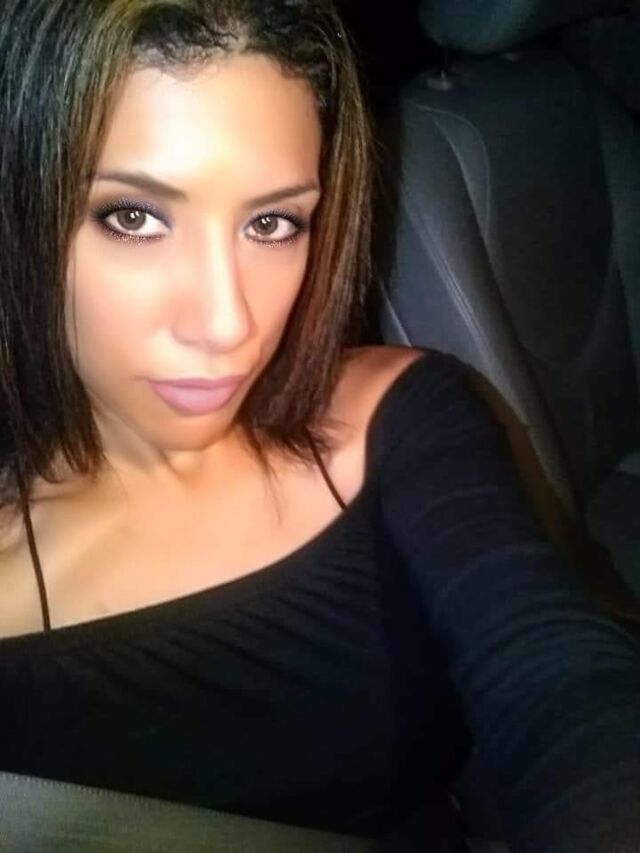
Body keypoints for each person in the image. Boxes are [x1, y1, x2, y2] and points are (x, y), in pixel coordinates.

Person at [0, 1, 639, 850]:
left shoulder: (394, 414)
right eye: (133, 216)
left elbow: (556, 672)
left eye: (272, 223)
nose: (228, 323)